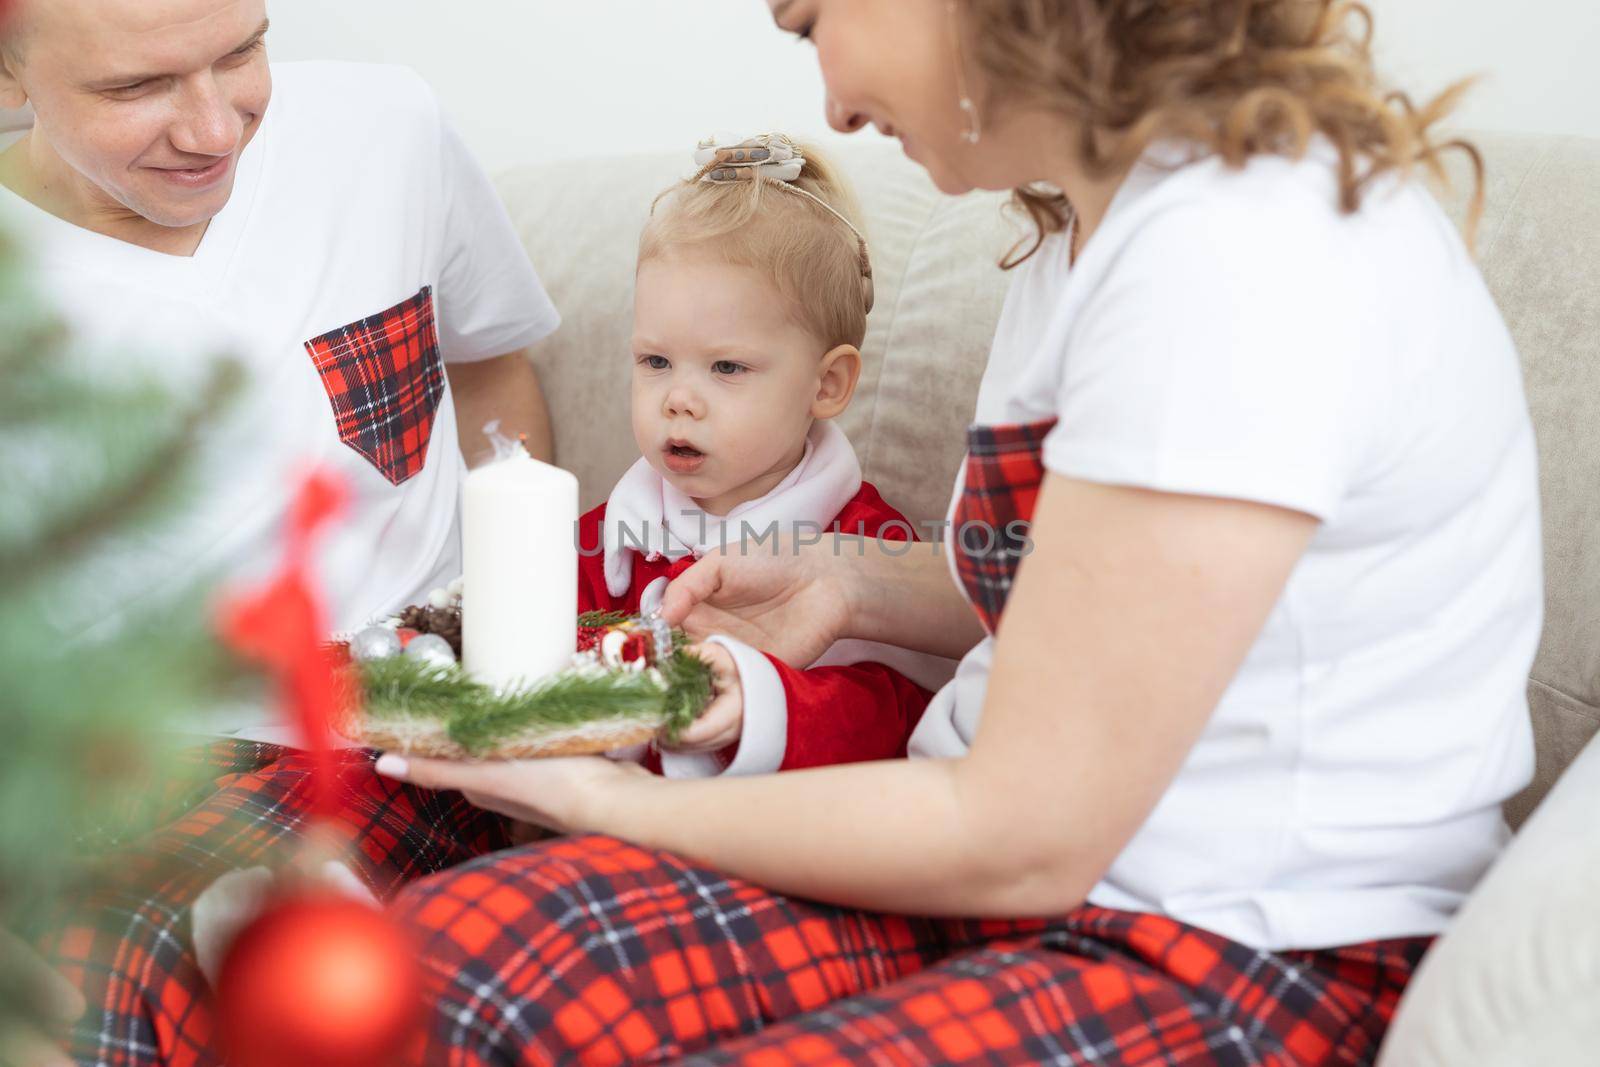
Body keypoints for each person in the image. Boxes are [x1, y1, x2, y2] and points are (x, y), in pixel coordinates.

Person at [375, 0, 1542, 1063]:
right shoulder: (1087, 226)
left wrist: (615, 802)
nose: (830, 102)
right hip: (1018, 885)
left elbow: (1028, 827)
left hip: (1230, 939)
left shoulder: (1234, 254)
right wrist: (844, 575)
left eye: (810, 21)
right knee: (431, 976)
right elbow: (1091, 595)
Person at [0, 1, 554, 1062]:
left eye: (243, 51)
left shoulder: (386, 130)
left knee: (111, 968)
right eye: (137, 87)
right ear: (9, 79)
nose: (215, 127)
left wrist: (515, 630)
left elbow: (490, 367)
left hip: (373, 733)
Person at [580, 133, 949, 777]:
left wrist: (766, 703)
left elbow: (905, 717)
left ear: (826, 385)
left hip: (771, 843)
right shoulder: (603, 537)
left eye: (727, 366)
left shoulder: (871, 544)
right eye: (656, 361)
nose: (679, 399)